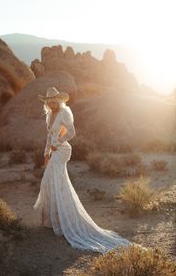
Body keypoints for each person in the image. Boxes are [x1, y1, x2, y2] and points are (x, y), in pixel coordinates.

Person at [33, 87, 143, 254]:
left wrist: (59, 142)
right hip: (53, 151)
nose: (53, 103)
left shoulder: (64, 113)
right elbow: (49, 136)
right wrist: (46, 152)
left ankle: (65, 221)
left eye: (55, 101)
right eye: (50, 101)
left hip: (62, 150)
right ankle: (54, 220)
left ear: (59, 101)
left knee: (55, 180)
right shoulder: (49, 115)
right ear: (47, 103)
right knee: (50, 181)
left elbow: (72, 131)